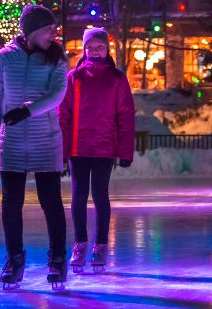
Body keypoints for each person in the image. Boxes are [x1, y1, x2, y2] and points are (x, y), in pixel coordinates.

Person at [0, 5, 70, 290]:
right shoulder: (3, 58)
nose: (53, 34)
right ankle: (15, 259)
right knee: (11, 203)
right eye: (48, 29)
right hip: (11, 142)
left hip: (45, 140)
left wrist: (27, 111)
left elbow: (57, 94)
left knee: (51, 201)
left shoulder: (56, 59)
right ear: (32, 30)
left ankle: (58, 259)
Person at [58, 27, 135, 274]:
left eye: (99, 46)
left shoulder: (116, 78)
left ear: (107, 48)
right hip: (78, 148)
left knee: (100, 195)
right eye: (90, 47)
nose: (95, 50)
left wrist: (125, 151)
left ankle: (100, 244)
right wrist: (61, 152)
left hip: (103, 148)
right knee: (79, 196)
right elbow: (64, 115)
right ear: (84, 49)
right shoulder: (74, 78)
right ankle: (80, 244)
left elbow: (125, 116)